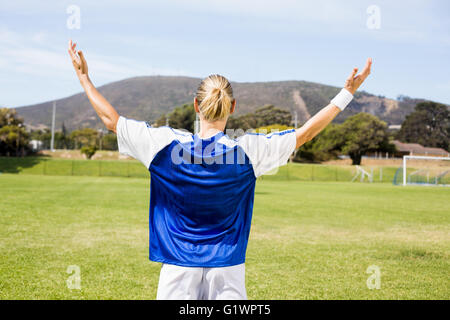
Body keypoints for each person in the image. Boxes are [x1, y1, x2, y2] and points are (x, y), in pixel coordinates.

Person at [68, 40, 372, 300]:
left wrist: (84, 78)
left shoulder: (161, 144)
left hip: (177, 267)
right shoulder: (248, 151)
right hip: (227, 267)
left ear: (196, 106)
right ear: (233, 107)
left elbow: (111, 120)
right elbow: (304, 133)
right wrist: (346, 93)